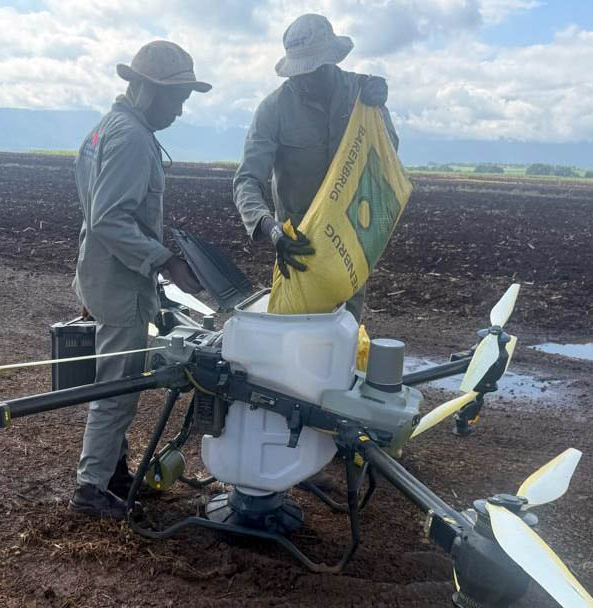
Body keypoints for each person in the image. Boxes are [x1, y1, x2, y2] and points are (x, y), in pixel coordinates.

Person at [70, 40, 209, 519]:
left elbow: (97, 211)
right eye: (178, 98)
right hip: (120, 282)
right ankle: (91, 489)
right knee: (116, 389)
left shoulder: (106, 127)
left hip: (102, 272)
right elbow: (110, 218)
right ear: (150, 90)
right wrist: (166, 261)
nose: (180, 109)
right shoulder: (130, 136)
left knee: (116, 379)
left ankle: (113, 473)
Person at [233, 13, 399, 321]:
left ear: (332, 61)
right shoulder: (273, 109)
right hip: (298, 248)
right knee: (295, 333)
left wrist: (377, 110)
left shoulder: (361, 94)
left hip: (350, 245)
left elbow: (387, 158)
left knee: (344, 330)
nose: (306, 80)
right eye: (300, 73)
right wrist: (270, 228)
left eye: (315, 71)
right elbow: (247, 180)